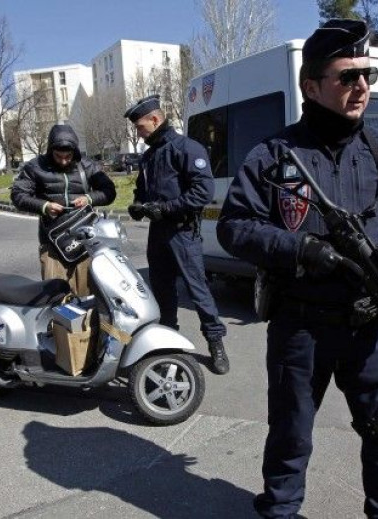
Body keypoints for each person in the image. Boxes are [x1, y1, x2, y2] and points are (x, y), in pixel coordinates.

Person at [216, 20, 378, 517]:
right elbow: (234, 226)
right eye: (348, 77)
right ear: (311, 87)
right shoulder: (275, 156)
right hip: (301, 326)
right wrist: (300, 250)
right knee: (290, 436)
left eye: (368, 74)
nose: (362, 87)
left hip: (372, 325)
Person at [125, 95, 230, 375]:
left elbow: (202, 192)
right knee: (162, 292)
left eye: (139, 126)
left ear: (155, 120)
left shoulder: (186, 148)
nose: (138, 132)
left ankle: (215, 343)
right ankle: (167, 345)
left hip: (183, 233)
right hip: (158, 234)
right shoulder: (149, 156)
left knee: (198, 291)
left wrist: (166, 208)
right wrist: (138, 205)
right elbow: (142, 190)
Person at [11, 124, 116, 296]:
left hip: (84, 240)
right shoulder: (35, 166)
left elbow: (109, 192)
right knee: (55, 297)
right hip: (52, 242)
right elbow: (18, 196)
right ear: (50, 150)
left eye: (68, 156)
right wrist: (44, 206)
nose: (64, 160)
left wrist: (89, 198)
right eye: (59, 156)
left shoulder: (87, 165)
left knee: (87, 296)